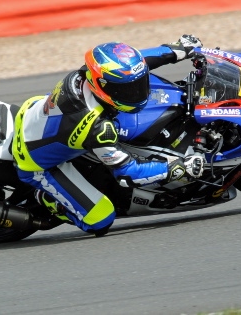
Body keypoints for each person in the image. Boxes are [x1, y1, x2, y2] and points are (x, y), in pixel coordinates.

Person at [12, 35, 206, 236]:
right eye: (128, 89)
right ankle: (49, 201)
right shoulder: (98, 127)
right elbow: (128, 173)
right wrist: (176, 168)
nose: (137, 92)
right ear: (102, 85)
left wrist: (177, 49)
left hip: (35, 113)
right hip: (35, 161)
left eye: (138, 85)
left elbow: (138, 63)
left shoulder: (89, 72)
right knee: (102, 219)